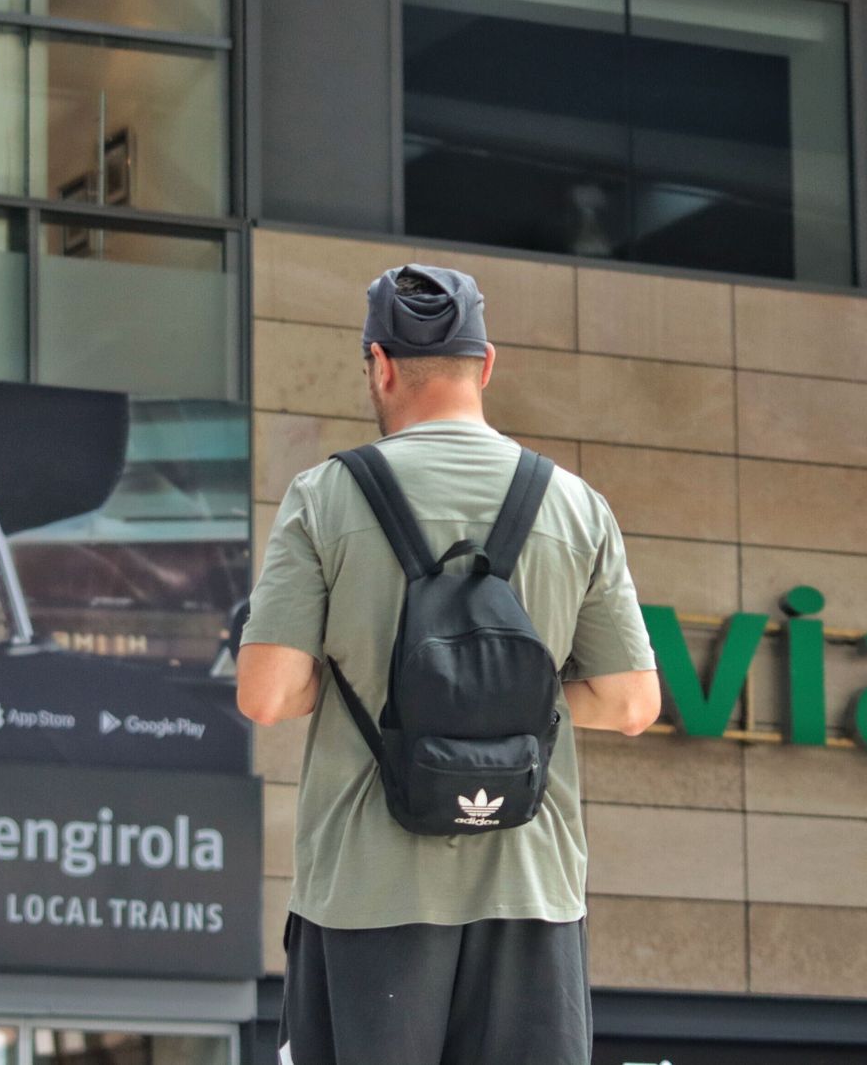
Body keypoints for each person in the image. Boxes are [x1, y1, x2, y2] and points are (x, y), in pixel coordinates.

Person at [237, 264, 661, 1064]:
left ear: (381, 364)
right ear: (487, 364)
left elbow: (267, 695)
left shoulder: (325, 497)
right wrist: (508, 702)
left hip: (365, 893)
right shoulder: (574, 504)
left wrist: (363, 675)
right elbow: (633, 702)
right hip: (531, 890)